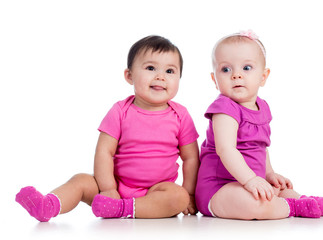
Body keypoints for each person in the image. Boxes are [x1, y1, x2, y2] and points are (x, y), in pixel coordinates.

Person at [16, 35, 199, 222]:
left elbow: (191, 157)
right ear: (129, 76)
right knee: (81, 180)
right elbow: (104, 151)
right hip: (116, 187)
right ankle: (47, 206)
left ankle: (120, 209)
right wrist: (108, 188)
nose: (160, 76)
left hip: (157, 192)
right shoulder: (120, 111)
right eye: (150, 68)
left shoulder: (181, 115)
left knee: (178, 197)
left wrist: (190, 194)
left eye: (170, 71)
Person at [195, 30, 323, 219]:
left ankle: (303, 200)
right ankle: (295, 207)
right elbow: (226, 150)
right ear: (215, 79)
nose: (236, 75)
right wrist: (251, 180)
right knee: (255, 205)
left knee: (279, 190)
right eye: (226, 69)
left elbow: (261, 146)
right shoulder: (224, 108)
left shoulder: (262, 107)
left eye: (246, 68)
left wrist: (268, 173)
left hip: (251, 181)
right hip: (218, 188)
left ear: (263, 76)